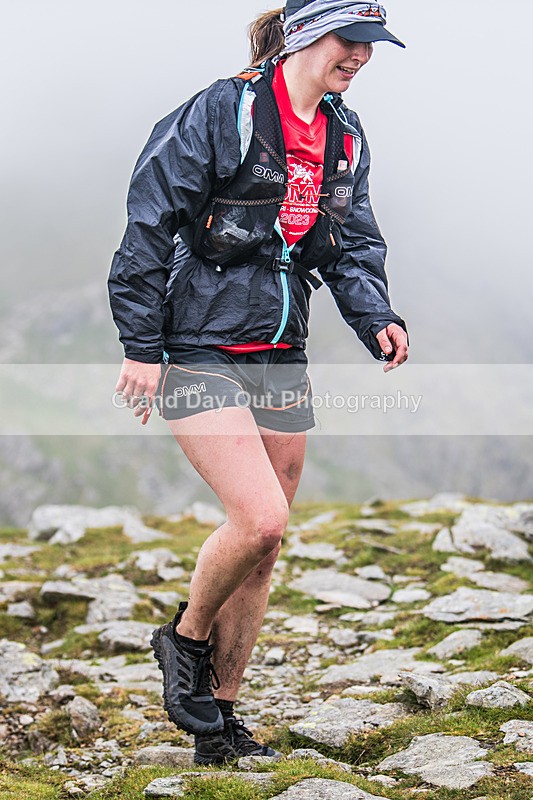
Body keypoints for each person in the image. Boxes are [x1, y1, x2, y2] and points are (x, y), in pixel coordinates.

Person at [108, 0, 408, 767]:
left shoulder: (342, 134)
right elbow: (148, 220)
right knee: (260, 521)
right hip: (197, 342)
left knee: (265, 551)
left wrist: (373, 314)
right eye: (352, 40)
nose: (361, 57)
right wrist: (142, 345)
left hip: (281, 343)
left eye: (372, 45)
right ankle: (182, 641)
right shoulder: (223, 110)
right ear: (307, 34)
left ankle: (221, 720)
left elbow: (347, 239)